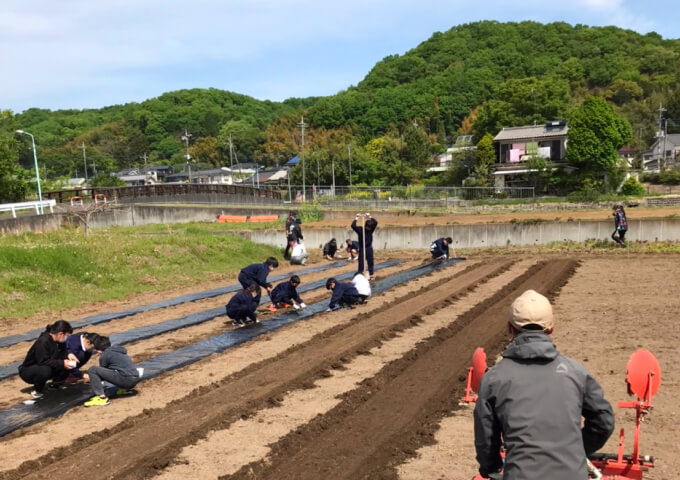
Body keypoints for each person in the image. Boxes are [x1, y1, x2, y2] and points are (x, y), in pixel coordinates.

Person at [474, 289, 614, 480]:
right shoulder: (575, 372)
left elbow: (486, 439)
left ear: (509, 329)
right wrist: (575, 451)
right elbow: (603, 422)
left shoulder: (494, 379)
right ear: (551, 328)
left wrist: (491, 467)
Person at [18, 320, 76, 399]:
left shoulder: (59, 341)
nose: (67, 338)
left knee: (67, 363)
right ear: (60, 334)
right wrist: (62, 363)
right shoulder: (43, 342)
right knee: (46, 370)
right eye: (67, 336)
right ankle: (37, 389)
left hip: (44, 365)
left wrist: (68, 355)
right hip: (29, 370)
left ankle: (56, 384)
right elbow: (43, 361)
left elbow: (63, 352)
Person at [84, 335, 142, 407]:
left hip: (127, 380)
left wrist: (91, 378)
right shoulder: (119, 350)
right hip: (135, 378)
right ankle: (123, 389)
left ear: (98, 350)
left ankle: (102, 398)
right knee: (119, 369)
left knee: (93, 369)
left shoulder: (104, 356)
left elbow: (102, 373)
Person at [351, 213, 378, 279]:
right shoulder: (360, 230)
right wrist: (356, 218)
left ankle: (371, 274)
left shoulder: (371, 230)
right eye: (367, 227)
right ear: (365, 226)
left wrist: (369, 216)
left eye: (369, 227)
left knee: (370, 261)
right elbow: (353, 225)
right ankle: (360, 274)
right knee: (361, 262)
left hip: (369, 248)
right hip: (362, 248)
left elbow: (375, 222)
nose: (368, 228)